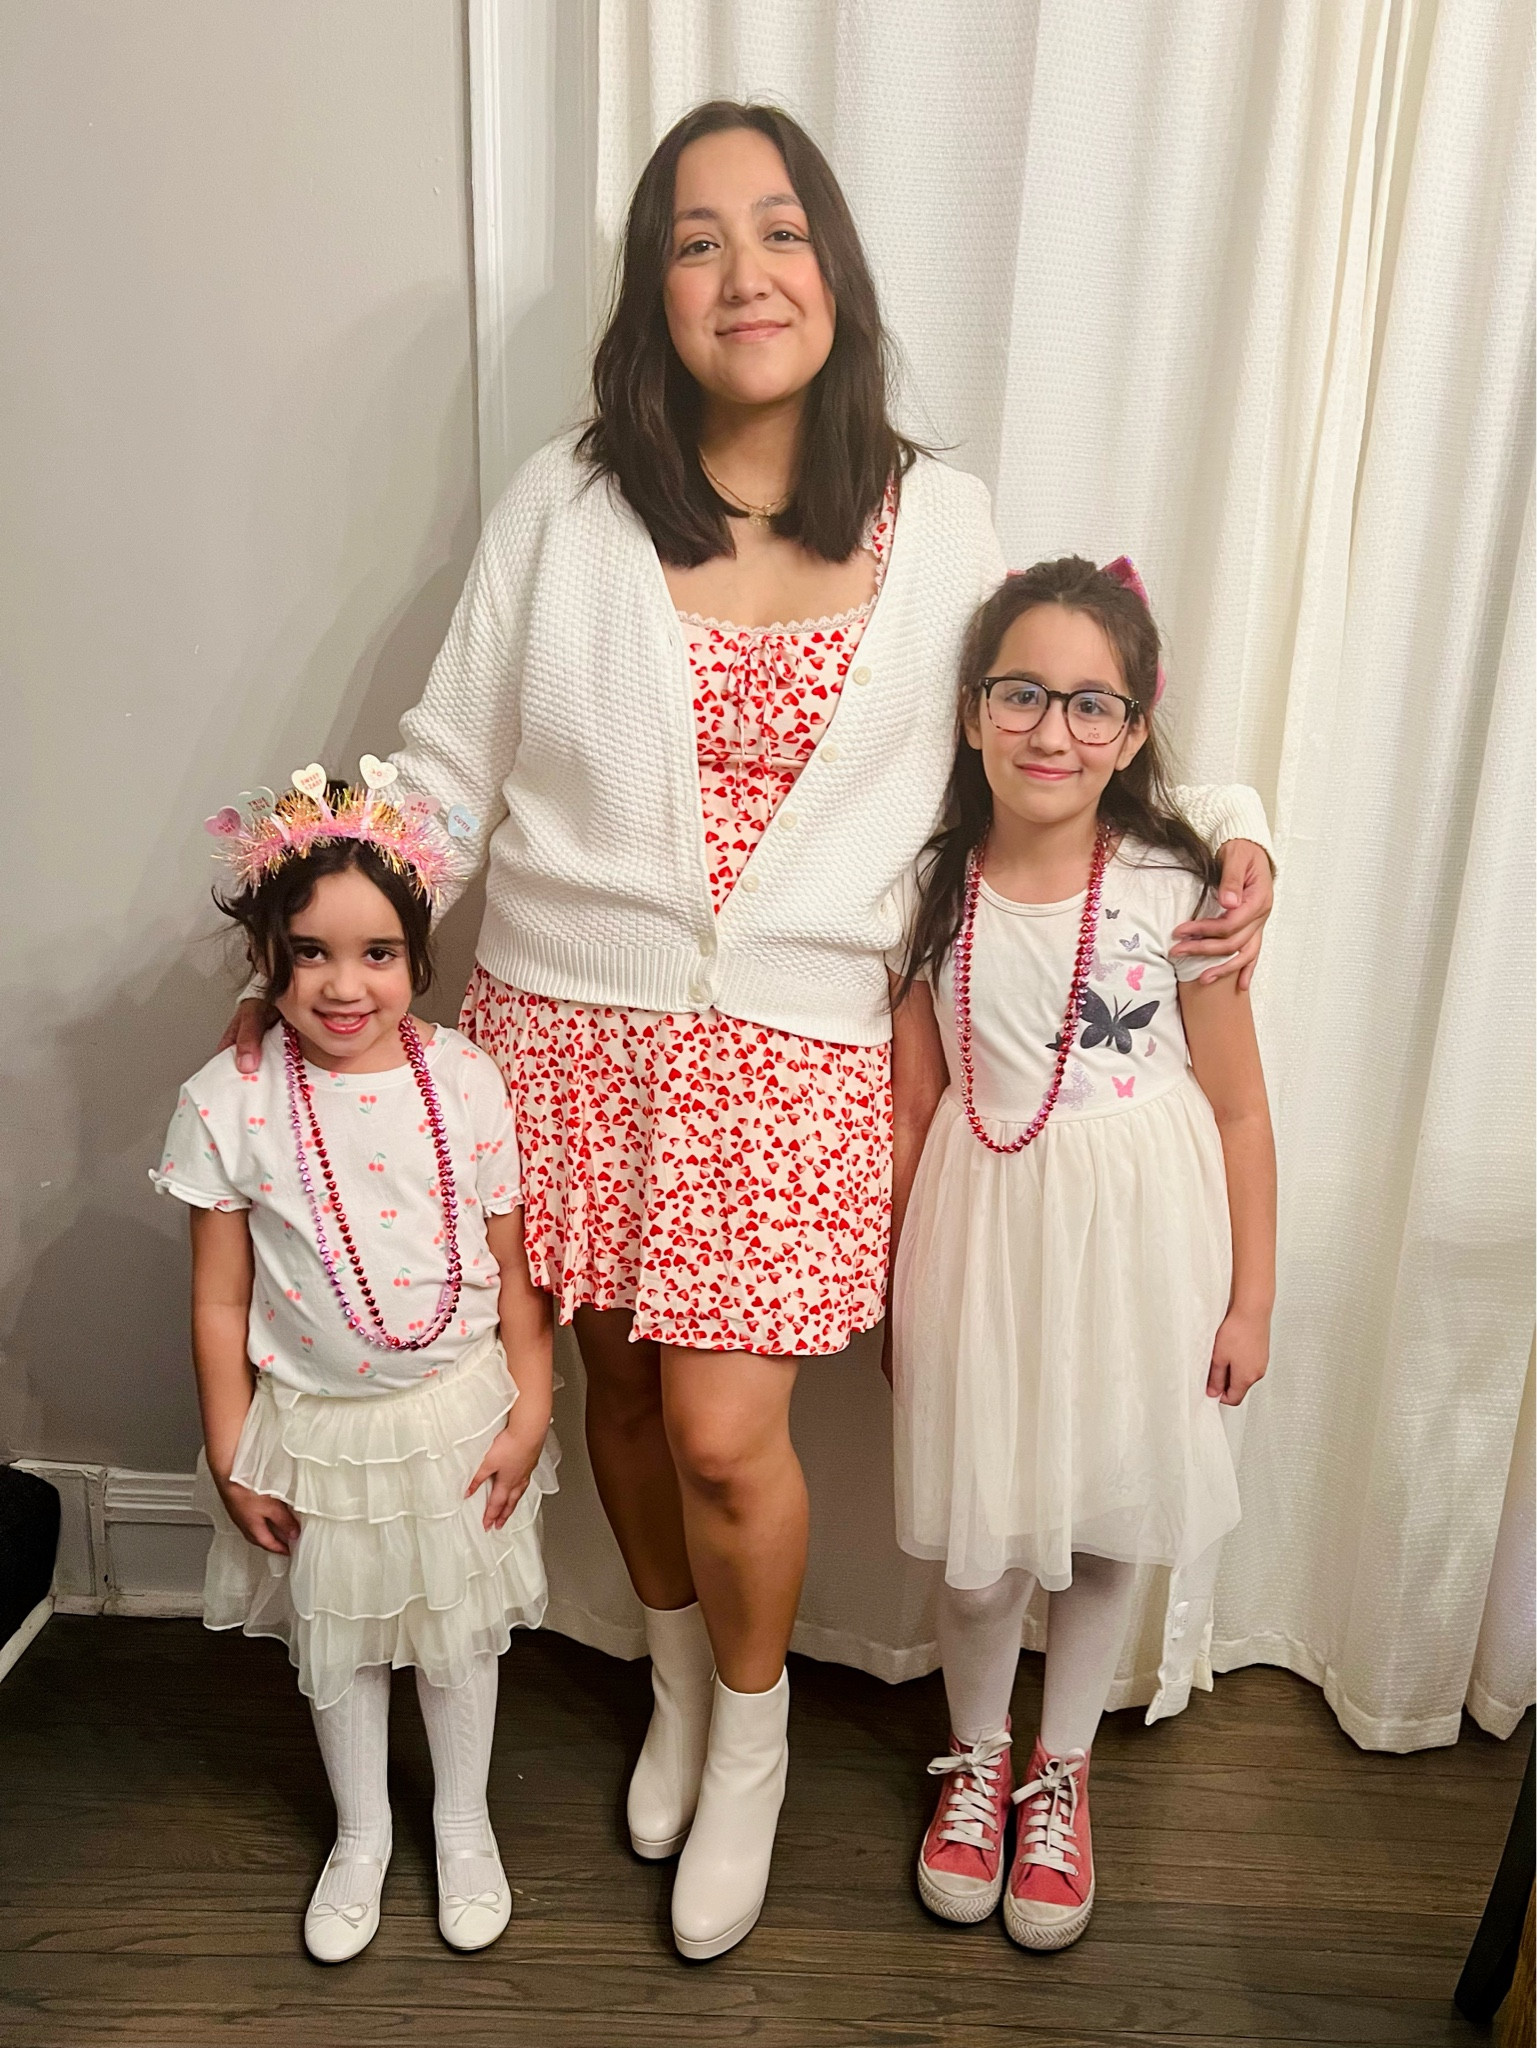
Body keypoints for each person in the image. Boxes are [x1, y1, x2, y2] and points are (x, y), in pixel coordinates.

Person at [221, 102, 1275, 1959]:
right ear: (655, 292)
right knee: (617, 1397)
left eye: (778, 231)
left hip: (796, 1052)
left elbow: (1045, 716)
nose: (742, 274)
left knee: (723, 1432)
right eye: (695, 242)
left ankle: (758, 1737)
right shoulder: (566, 501)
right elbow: (449, 766)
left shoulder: (940, 521)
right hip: (564, 1027)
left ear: (834, 269)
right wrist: (325, 914)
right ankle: (677, 1682)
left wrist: (1234, 823)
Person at [888, 558, 1275, 1951]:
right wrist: (898, 1289)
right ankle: (977, 1756)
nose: (1051, 730)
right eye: (1021, 694)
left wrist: (1251, 1299)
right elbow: (914, 1100)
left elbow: (1238, 1107)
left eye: (1089, 703)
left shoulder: (1178, 890)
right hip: (981, 1241)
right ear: (971, 710)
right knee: (983, 1540)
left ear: (1132, 726)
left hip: (1140, 1248)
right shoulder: (929, 888)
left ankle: (1061, 1768)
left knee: (1110, 1513)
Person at [156, 768, 556, 1962]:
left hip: (456, 1413)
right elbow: (218, 1293)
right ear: (264, 957)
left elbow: (513, 1264)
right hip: (315, 1428)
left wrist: (533, 1404)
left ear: (418, 955)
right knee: (338, 1635)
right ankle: (362, 1830)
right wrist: (231, 1450)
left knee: (455, 1630)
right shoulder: (228, 1100)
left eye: (377, 952)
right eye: (310, 952)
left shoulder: (468, 1080)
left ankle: (463, 1821)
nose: (345, 984)